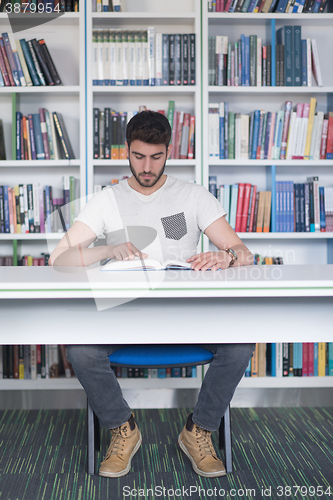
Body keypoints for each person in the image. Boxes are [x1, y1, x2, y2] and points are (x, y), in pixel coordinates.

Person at [49, 110, 254, 479]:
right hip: (124, 317)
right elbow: (59, 258)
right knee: (80, 350)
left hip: (186, 317)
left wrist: (224, 255)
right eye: (139, 156)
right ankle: (121, 427)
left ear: (168, 152)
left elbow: (244, 252)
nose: (147, 166)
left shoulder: (193, 196)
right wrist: (107, 250)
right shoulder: (106, 200)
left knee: (240, 346)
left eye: (156, 157)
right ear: (126, 151)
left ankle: (200, 431)